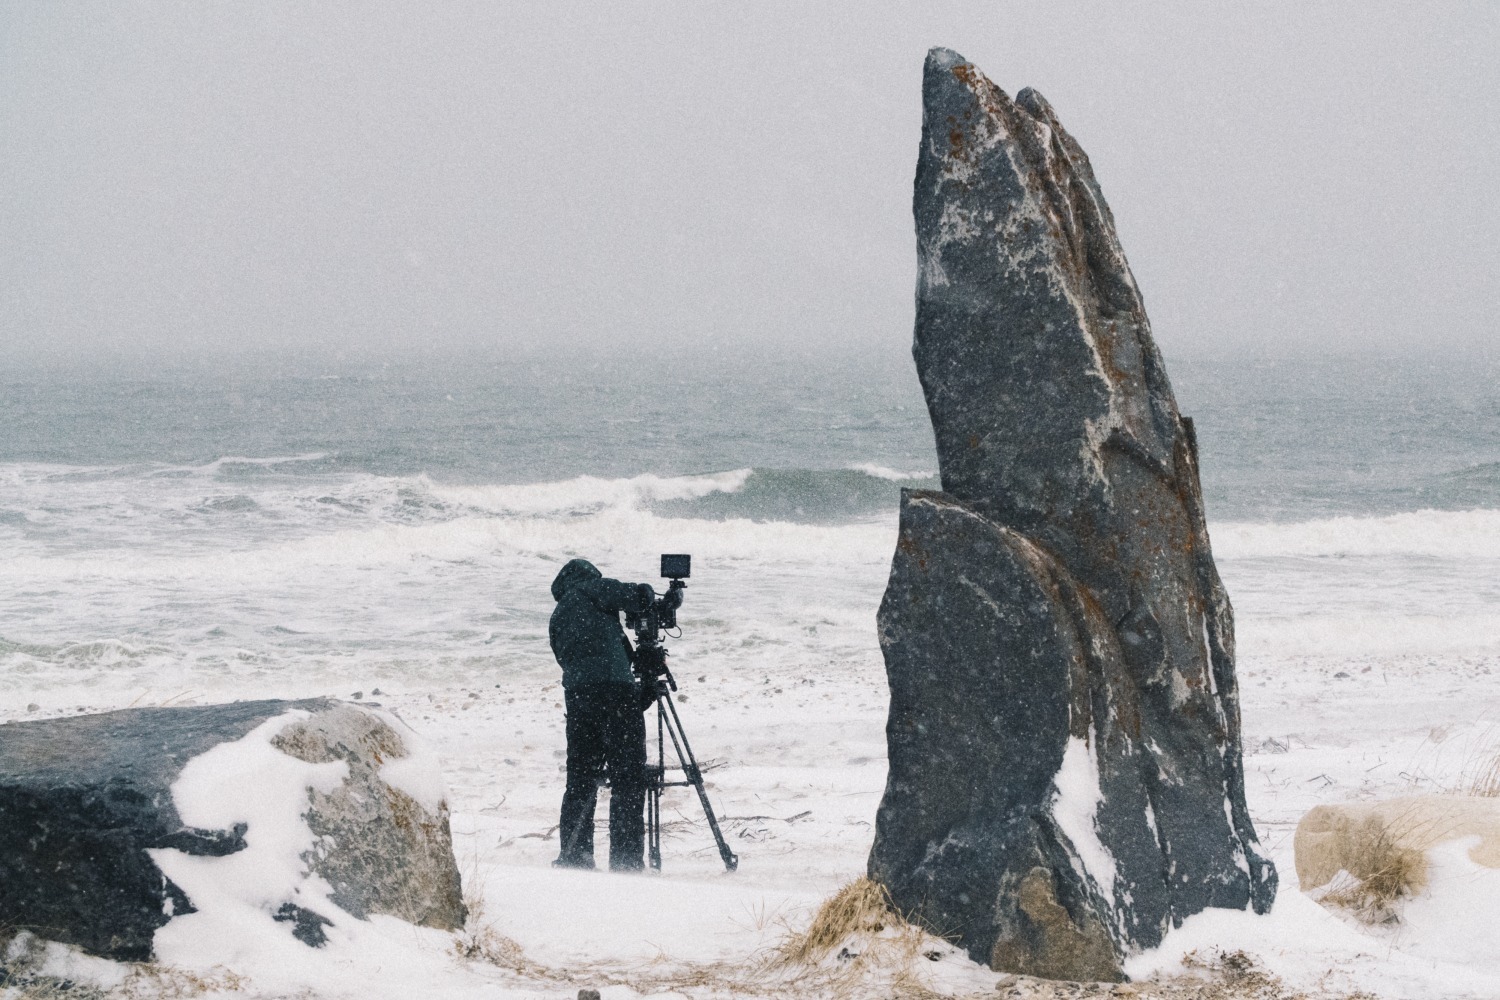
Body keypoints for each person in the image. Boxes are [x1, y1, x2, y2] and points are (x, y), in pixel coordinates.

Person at [548, 557, 653, 872]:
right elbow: (637, 595)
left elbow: (567, 660)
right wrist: (657, 598)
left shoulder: (557, 615)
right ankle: (626, 860)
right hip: (615, 692)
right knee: (628, 777)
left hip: (579, 698)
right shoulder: (593, 588)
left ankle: (575, 855)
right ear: (589, 576)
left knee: (581, 777)